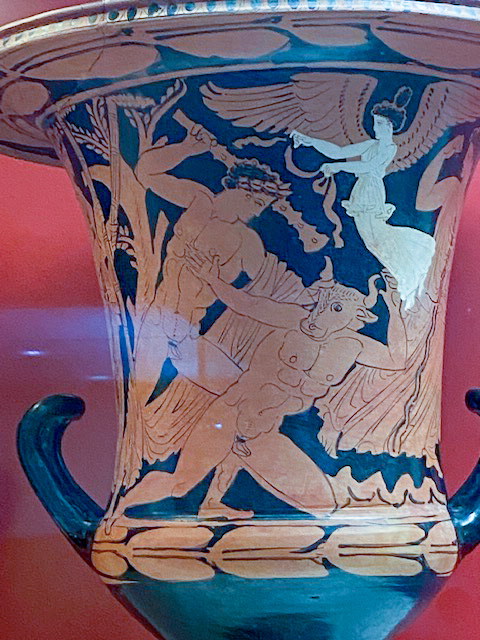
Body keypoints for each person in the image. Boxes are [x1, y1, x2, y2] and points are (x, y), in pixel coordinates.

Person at [106, 252, 407, 524]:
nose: (321, 312)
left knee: (324, 504)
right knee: (180, 484)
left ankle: (212, 503)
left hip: (262, 434)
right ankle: (119, 511)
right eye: (323, 303)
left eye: (336, 308)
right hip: (228, 415)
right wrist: (213, 279)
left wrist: (396, 308)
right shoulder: (293, 318)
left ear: (356, 318)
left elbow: (397, 359)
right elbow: (247, 304)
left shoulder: (352, 347)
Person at [290, 87, 436, 310]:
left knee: (378, 239)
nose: (375, 128)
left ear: (389, 126)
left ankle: (408, 276)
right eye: (375, 123)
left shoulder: (389, 148)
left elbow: (369, 166)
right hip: (362, 191)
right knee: (374, 241)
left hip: (371, 192)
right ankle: (408, 275)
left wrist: (337, 167)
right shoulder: (372, 145)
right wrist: (309, 140)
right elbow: (338, 151)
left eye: (379, 124)